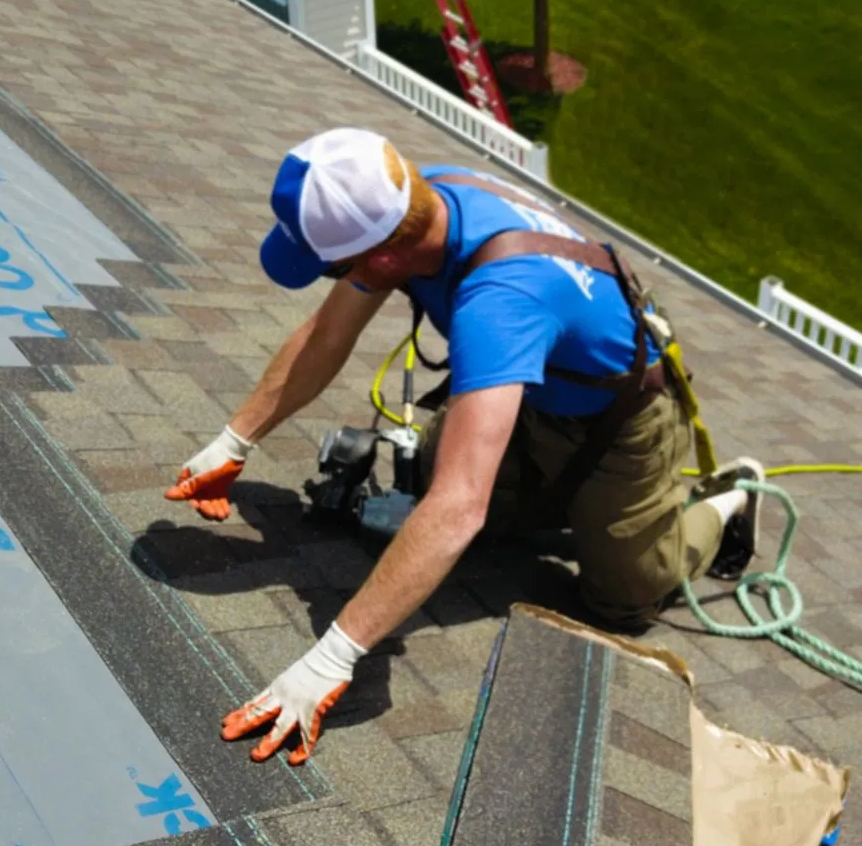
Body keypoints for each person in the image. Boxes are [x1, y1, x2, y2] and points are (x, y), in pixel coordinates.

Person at [165, 126, 765, 765]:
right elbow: (325, 338)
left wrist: (330, 659)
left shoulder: (501, 300)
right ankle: (565, 507)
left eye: (334, 268)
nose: (333, 281)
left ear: (384, 259)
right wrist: (233, 442)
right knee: (458, 514)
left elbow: (457, 508)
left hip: (623, 421)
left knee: (623, 597)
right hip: (526, 391)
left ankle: (724, 496)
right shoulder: (420, 202)